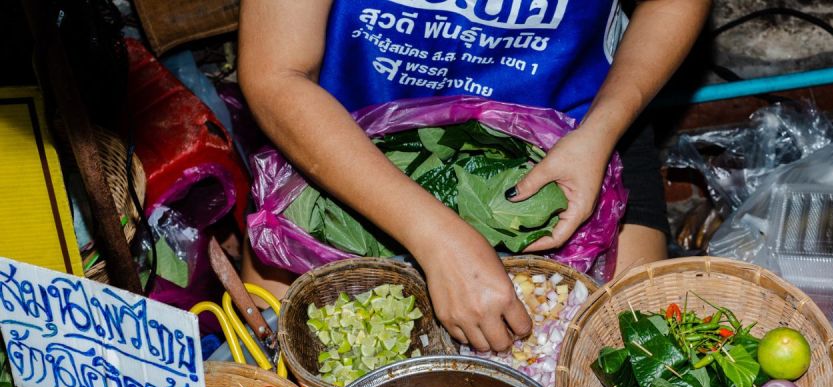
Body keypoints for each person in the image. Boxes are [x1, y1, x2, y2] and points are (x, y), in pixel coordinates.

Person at [239, 0, 710, 353]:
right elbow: (275, 74)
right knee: (286, 363)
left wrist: (601, 129)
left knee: (628, 361)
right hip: (355, 145)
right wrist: (435, 237)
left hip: (572, 131)